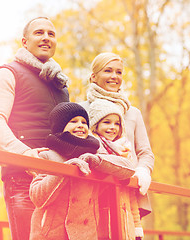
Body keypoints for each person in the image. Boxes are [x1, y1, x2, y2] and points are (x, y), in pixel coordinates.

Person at [0, 17, 69, 240]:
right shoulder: (7, 73)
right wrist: (25, 154)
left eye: (51, 34)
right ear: (24, 41)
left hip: (60, 177)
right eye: (39, 33)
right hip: (23, 177)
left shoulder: (60, 85)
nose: (46, 38)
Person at [29, 102, 135, 240]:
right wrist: (66, 169)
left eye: (84, 122)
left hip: (86, 233)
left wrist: (96, 160)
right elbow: (37, 197)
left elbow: (128, 169)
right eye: (73, 121)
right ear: (60, 126)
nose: (80, 125)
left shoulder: (95, 153)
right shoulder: (47, 155)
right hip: (51, 233)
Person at [79, 52, 155, 217]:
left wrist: (142, 172)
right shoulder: (81, 109)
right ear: (93, 77)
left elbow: (145, 153)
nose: (114, 76)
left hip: (128, 191)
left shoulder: (132, 112)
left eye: (119, 72)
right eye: (108, 71)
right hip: (93, 189)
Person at [88, 98, 144, 240]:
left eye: (117, 123)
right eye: (107, 122)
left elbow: (131, 194)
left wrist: (137, 225)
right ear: (95, 124)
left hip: (124, 217)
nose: (112, 127)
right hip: (100, 215)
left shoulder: (124, 151)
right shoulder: (93, 147)